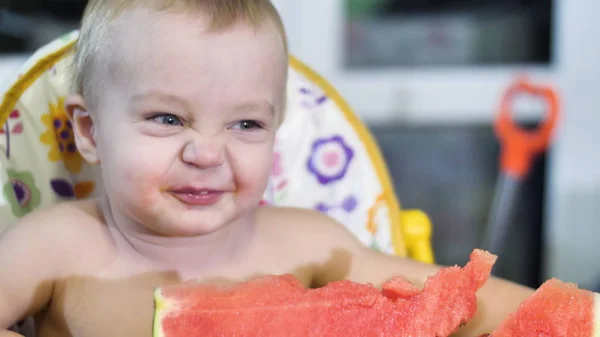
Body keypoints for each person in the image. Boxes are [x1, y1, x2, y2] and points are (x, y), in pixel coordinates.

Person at [0, 0, 534, 336]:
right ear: (90, 132)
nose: (207, 154)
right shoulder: (53, 246)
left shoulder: (308, 245)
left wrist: (575, 315)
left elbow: (462, 301)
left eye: (246, 125)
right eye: (167, 118)